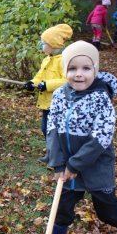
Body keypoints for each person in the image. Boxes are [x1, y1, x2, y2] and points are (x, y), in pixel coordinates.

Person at [44, 40, 117, 234]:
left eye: (86, 68)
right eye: (72, 68)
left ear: (95, 70)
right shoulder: (60, 95)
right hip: (68, 163)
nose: (79, 74)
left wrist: (74, 165)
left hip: (96, 163)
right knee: (62, 205)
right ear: (64, 70)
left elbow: (101, 138)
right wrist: (59, 163)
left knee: (107, 208)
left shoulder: (101, 99)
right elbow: (52, 127)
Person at [24, 24, 73, 163]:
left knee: (56, 131)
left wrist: (47, 85)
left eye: (43, 43)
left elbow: (66, 80)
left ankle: (59, 155)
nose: (41, 45)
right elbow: (40, 76)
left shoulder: (63, 60)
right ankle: (51, 153)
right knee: (46, 128)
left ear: (52, 44)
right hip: (46, 103)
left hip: (58, 103)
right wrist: (32, 83)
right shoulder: (47, 59)